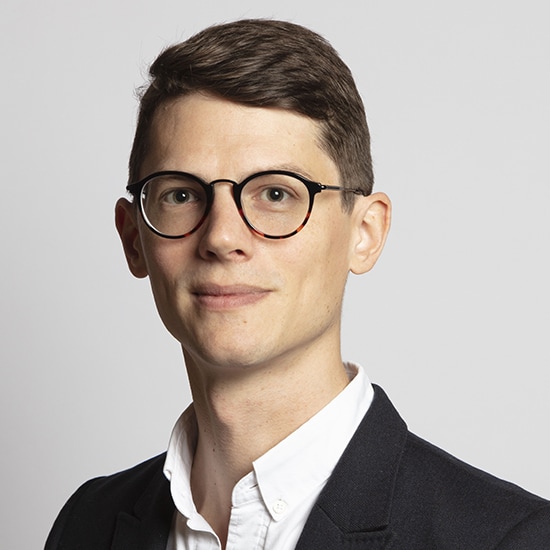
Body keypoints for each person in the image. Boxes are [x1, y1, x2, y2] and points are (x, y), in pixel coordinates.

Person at [45, 18, 550, 550]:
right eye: (181, 195)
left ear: (365, 233)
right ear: (133, 238)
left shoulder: (509, 539)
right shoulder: (87, 524)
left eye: (276, 194)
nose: (222, 237)